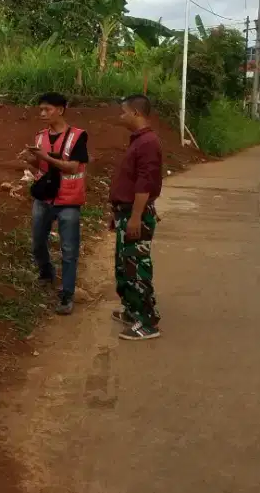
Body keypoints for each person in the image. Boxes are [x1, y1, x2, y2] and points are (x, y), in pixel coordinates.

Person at [19, 92, 90, 316]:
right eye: (40, 110)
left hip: (68, 200)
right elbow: (40, 165)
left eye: (47, 109)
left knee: (69, 250)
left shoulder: (78, 137)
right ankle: (46, 273)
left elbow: (71, 167)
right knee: (38, 243)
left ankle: (67, 294)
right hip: (44, 197)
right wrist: (30, 158)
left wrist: (45, 157)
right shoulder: (40, 137)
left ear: (60, 110)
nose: (42, 114)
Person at [109, 94, 164, 341]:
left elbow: (145, 183)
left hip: (135, 214)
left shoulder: (147, 143)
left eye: (123, 112)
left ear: (136, 113)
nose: (120, 116)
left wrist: (135, 217)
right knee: (124, 266)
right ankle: (132, 311)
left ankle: (147, 323)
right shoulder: (139, 142)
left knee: (137, 269)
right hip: (127, 212)